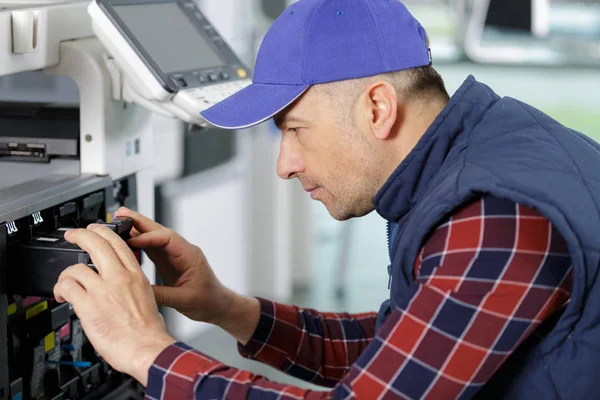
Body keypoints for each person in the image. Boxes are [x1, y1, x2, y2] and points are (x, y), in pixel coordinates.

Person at [52, 0, 600, 398]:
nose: (284, 164)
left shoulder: (495, 219)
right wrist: (227, 309)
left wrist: (145, 351)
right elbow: (405, 351)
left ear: (377, 109)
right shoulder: (492, 147)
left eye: (295, 129)